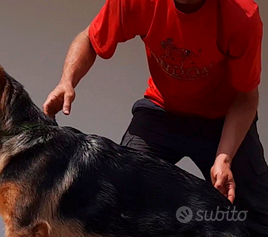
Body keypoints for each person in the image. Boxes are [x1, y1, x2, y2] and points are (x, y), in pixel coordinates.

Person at [43, 0, 268, 235]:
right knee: (120, 193)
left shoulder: (242, 16)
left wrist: (224, 158)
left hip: (223, 120)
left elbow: (246, 98)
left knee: (256, 217)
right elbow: (90, 38)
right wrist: (66, 81)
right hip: (162, 111)